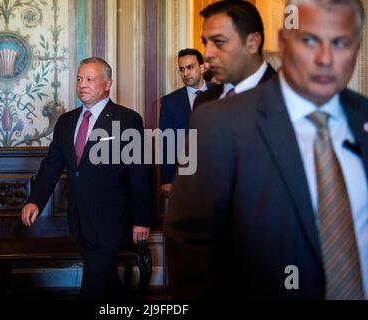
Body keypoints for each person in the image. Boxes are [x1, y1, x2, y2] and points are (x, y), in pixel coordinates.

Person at [165, 0, 368, 300]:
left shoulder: (362, 117)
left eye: (341, 42)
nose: (326, 58)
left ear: (358, 46)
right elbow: (189, 242)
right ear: (284, 42)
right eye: (310, 40)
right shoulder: (217, 120)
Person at [21, 57, 151, 300]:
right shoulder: (66, 121)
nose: (82, 84)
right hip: (79, 218)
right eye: (79, 79)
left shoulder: (127, 120)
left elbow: (139, 172)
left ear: (107, 83)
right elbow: (52, 165)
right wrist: (35, 200)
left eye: (90, 79)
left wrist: (141, 220)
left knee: (93, 287)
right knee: (106, 281)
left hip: (111, 220)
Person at [193, 0, 276, 109]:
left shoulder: (289, 98)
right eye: (205, 43)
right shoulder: (203, 102)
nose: (207, 54)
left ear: (252, 43)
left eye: (219, 41)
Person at [159, 49, 216, 195]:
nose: (185, 73)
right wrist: (167, 180)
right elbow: (167, 142)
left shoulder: (221, 93)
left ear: (202, 67)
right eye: (182, 69)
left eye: (190, 67)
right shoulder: (169, 102)